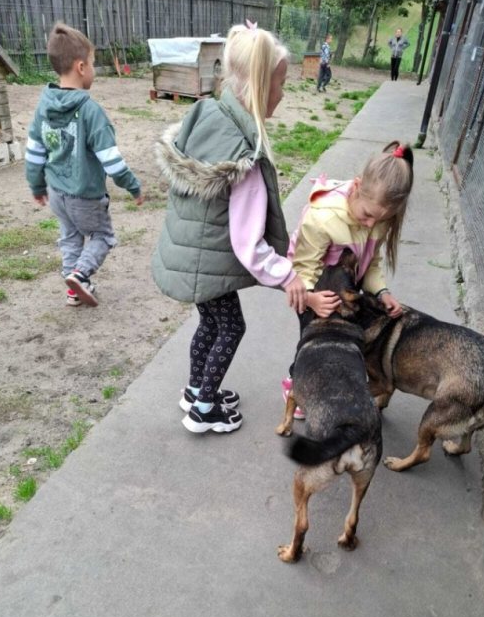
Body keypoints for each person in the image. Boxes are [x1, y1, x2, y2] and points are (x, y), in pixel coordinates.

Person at [151, 22, 307, 435]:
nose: (283, 93)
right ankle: (204, 409)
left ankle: (195, 390)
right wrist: (286, 274)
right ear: (259, 86)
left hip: (192, 254)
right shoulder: (244, 159)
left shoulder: (210, 114)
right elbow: (247, 244)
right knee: (231, 327)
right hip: (208, 262)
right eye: (281, 84)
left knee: (211, 323)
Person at [281, 141, 414, 417]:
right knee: (312, 344)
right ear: (356, 186)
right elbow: (302, 268)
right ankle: (296, 385)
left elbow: (372, 263)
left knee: (342, 343)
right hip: (312, 289)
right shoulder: (323, 217)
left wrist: (382, 292)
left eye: (380, 220)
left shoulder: (378, 217)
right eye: (367, 215)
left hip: (344, 289)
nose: (371, 224)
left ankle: (331, 387)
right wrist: (311, 300)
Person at [25, 22, 143, 308]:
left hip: (57, 193)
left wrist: (37, 186)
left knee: (70, 238)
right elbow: (111, 160)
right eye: (92, 63)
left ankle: (74, 288)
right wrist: (133, 186)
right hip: (85, 196)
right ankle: (80, 274)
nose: (93, 70)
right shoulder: (91, 111)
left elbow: (34, 151)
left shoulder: (44, 106)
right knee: (102, 236)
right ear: (80, 67)